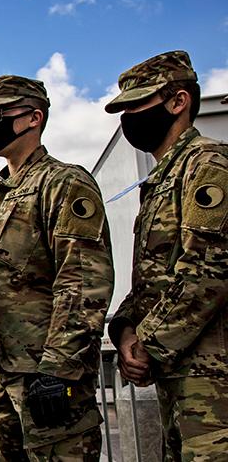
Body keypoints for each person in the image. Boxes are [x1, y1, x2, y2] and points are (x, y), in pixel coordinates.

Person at [0, 75, 115, 460]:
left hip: (50, 375)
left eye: (0, 113)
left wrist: (58, 369)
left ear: (33, 118)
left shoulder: (64, 183)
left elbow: (83, 282)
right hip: (2, 377)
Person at [104, 50, 228, 460]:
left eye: (138, 105)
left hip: (214, 383)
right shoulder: (160, 180)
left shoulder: (207, 164)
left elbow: (208, 273)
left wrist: (147, 344)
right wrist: (123, 332)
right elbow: (150, 283)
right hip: (179, 379)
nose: (129, 118)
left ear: (178, 102)